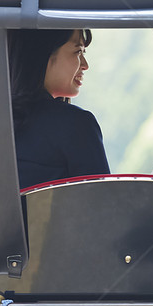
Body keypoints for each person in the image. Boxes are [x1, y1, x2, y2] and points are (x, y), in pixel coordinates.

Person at [8, 28, 109, 189]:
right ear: (44, 53)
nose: (85, 65)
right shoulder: (77, 125)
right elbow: (105, 205)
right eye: (78, 51)